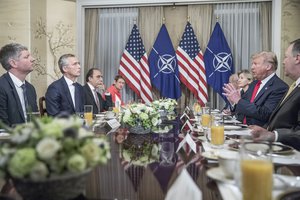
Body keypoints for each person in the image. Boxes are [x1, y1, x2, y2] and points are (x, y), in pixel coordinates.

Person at [251, 38, 300, 150]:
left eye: (286, 57)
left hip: (291, 156)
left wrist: (274, 135)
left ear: (297, 58)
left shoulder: (282, 86)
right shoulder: (294, 86)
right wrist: (262, 130)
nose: (283, 61)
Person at [223, 51, 288, 126]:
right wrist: (233, 102)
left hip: (259, 133)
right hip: (241, 128)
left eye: (256, 64)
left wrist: (238, 100)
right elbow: (243, 107)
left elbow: (265, 114)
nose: (252, 67)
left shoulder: (279, 87)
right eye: (252, 64)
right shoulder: (254, 84)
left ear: (268, 67)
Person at [0, 43, 38, 126]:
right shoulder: (1, 86)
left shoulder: (30, 88)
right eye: (26, 57)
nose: (33, 59)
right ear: (13, 63)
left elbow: (35, 119)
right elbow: (2, 124)